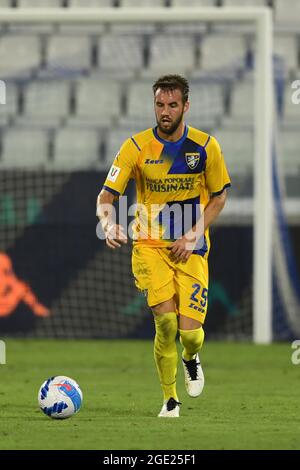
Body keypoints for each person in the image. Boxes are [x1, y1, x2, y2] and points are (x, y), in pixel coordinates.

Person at [97, 75, 231, 418]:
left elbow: (219, 196)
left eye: (173, 105)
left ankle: (190, 358)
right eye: (160, 105)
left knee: (191, 336)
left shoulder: (205, 146)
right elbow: (106, 196)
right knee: (166, 323)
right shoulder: (136, 147)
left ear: (186, 106)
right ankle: (170, 399)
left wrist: (193, 234)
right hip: (150, 246)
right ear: (154, 105)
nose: (165, 112)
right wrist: (108, 221)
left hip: (191, 248)